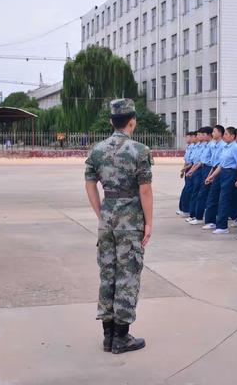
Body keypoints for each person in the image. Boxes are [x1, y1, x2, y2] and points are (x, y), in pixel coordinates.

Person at [84, 98, 153, 354]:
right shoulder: (140, 150)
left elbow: (90, 185)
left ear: (111, 121)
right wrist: (149, 223)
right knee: (128, 276)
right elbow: (145, 191)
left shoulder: (97, 150)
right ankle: (121, 338)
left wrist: (101, 212)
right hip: (131, 221)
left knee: (108, 275)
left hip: (107, 221)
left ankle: (107, 335)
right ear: (132, 121)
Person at [177, 132, 195, 217]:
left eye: (187, 137)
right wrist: (183, 171)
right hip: (187, 169)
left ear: (192, 137)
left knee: (188, 190)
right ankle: (183, 208)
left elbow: (192, 162)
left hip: (192, 169)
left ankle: (186, 209)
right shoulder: (188, 148)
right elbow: (186, 161)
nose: (186, 139)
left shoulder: (193, 148)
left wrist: (186, 169)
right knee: (186, 189)